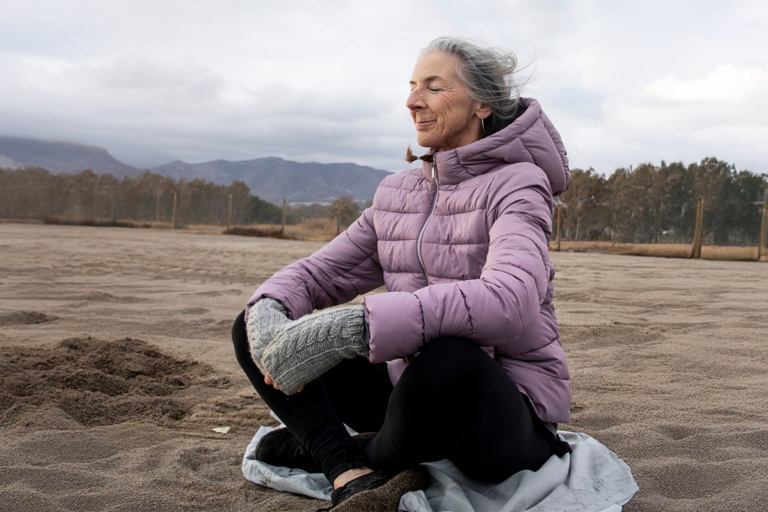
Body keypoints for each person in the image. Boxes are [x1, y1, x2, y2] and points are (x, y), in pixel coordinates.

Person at [232, 37, 572, 511]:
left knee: (447, 358)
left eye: (433, 87)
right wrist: (273, 312)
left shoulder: (520, 184)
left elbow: (510, 301)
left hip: (500, 412)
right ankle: (343, 465)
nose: (413, 101)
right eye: (412, 86)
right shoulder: (397, 192)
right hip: (407, 395)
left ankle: (360, 451)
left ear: (482, 104)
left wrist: (356, 326)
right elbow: (318, 274)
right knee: (256, 322)